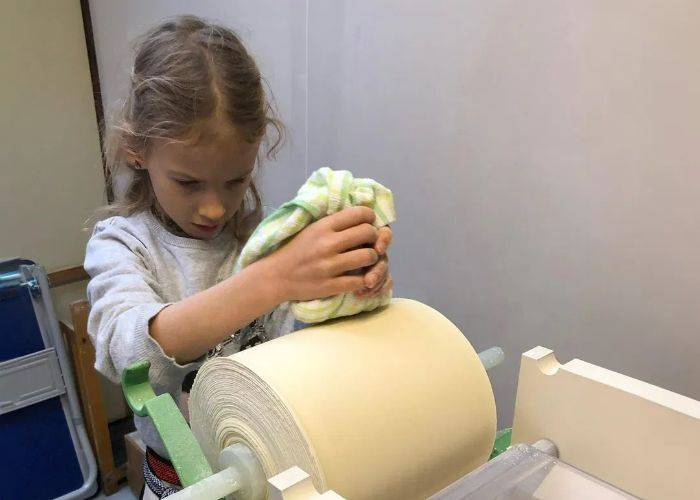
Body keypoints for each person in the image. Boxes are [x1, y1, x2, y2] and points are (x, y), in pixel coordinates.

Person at [83, 15, 392, 499]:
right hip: (179, 480)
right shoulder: (122, 244)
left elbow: (306, 345)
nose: (214, 207)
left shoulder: (263, 239)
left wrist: (349, 286)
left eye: (235, 181)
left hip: (271, 464)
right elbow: (129, 355)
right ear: (137, 149)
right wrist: (275, 278)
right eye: (188, 182)